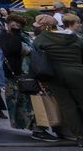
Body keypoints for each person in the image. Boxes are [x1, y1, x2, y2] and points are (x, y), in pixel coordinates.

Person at [33, 12, 83, 145]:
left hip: (54, 76)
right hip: (77, 72)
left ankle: (80, 136)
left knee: (67, 107)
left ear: (44, 27)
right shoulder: (75, 38)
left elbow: (35, 60)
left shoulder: (40, 39)